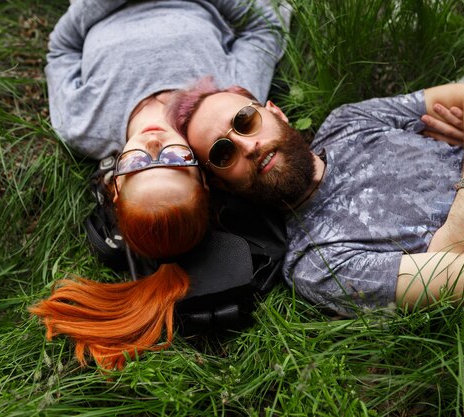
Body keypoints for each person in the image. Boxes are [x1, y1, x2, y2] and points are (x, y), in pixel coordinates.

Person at [30, 0, 290, 370]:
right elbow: (266, 26)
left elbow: (62, 48)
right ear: (202, 174)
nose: (153, 146)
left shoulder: (82, 125)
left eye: (136, 165)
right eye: (174, 160)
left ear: (115, 185)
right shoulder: (223, 107)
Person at [168, 76, 464, 327]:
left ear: (275, 112)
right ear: (224, 186)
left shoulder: (350, 121)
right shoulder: (315, 264)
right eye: (222, 153)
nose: (248, 146)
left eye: (245, 120)